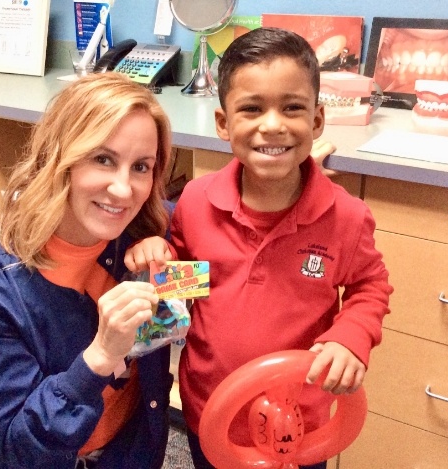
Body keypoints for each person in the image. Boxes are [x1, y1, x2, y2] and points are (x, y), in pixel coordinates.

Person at [126, 27, 393, 469]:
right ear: (223, 124)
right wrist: (161, 257)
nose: (273, 124)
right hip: (210, 410)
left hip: (299, 419)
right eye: (252, 109)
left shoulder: (346, 218)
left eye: (292, 108)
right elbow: (191, 282)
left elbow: (370, 285)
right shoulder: (196, 202)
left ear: (317, 120)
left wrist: (351, 337)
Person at [0, 73, 175, 469]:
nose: (123, 189)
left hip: (131, 451)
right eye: (103, 159)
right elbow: (13, 451)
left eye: (141, 167)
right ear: (57, 158)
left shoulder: (141, 227)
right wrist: (98, 357)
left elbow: (223, 214)